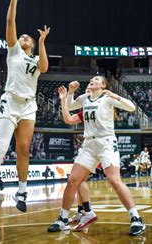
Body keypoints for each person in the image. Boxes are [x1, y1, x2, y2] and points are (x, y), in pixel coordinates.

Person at [0, 0, 50, 213]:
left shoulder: (36, 57)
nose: (23, 37)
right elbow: (10, 23)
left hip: (28, 106)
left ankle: (22, 191)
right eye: (22, 37)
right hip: (10, 101)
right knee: (0, 146)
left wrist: (41, 42)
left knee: (23, 149)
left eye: (27, 37)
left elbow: (45, 67)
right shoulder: (14, 52)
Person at [48, 77, 145, 236]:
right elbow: (71, 106)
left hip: (106, 142)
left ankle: (136, 218)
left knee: (114, 180)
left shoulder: (107, 98)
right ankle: (62, 219)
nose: (92, 80)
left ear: (103, 85)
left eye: (97, 79)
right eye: (92, 79)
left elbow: (132, 107)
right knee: (73, 180)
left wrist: (115, 95)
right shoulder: (85, 98)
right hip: (89, 145)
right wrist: (71, 92)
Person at [57, 85, 97, 231]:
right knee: (79, 180)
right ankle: (82, 211)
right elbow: (68, 118)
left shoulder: (101, 105)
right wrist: (64, 99)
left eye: (89, 90)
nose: (87, 92)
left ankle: (86, 210)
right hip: (89, 146)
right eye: (86, 90)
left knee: (78, 179)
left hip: (99, 147)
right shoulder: (85, 110)